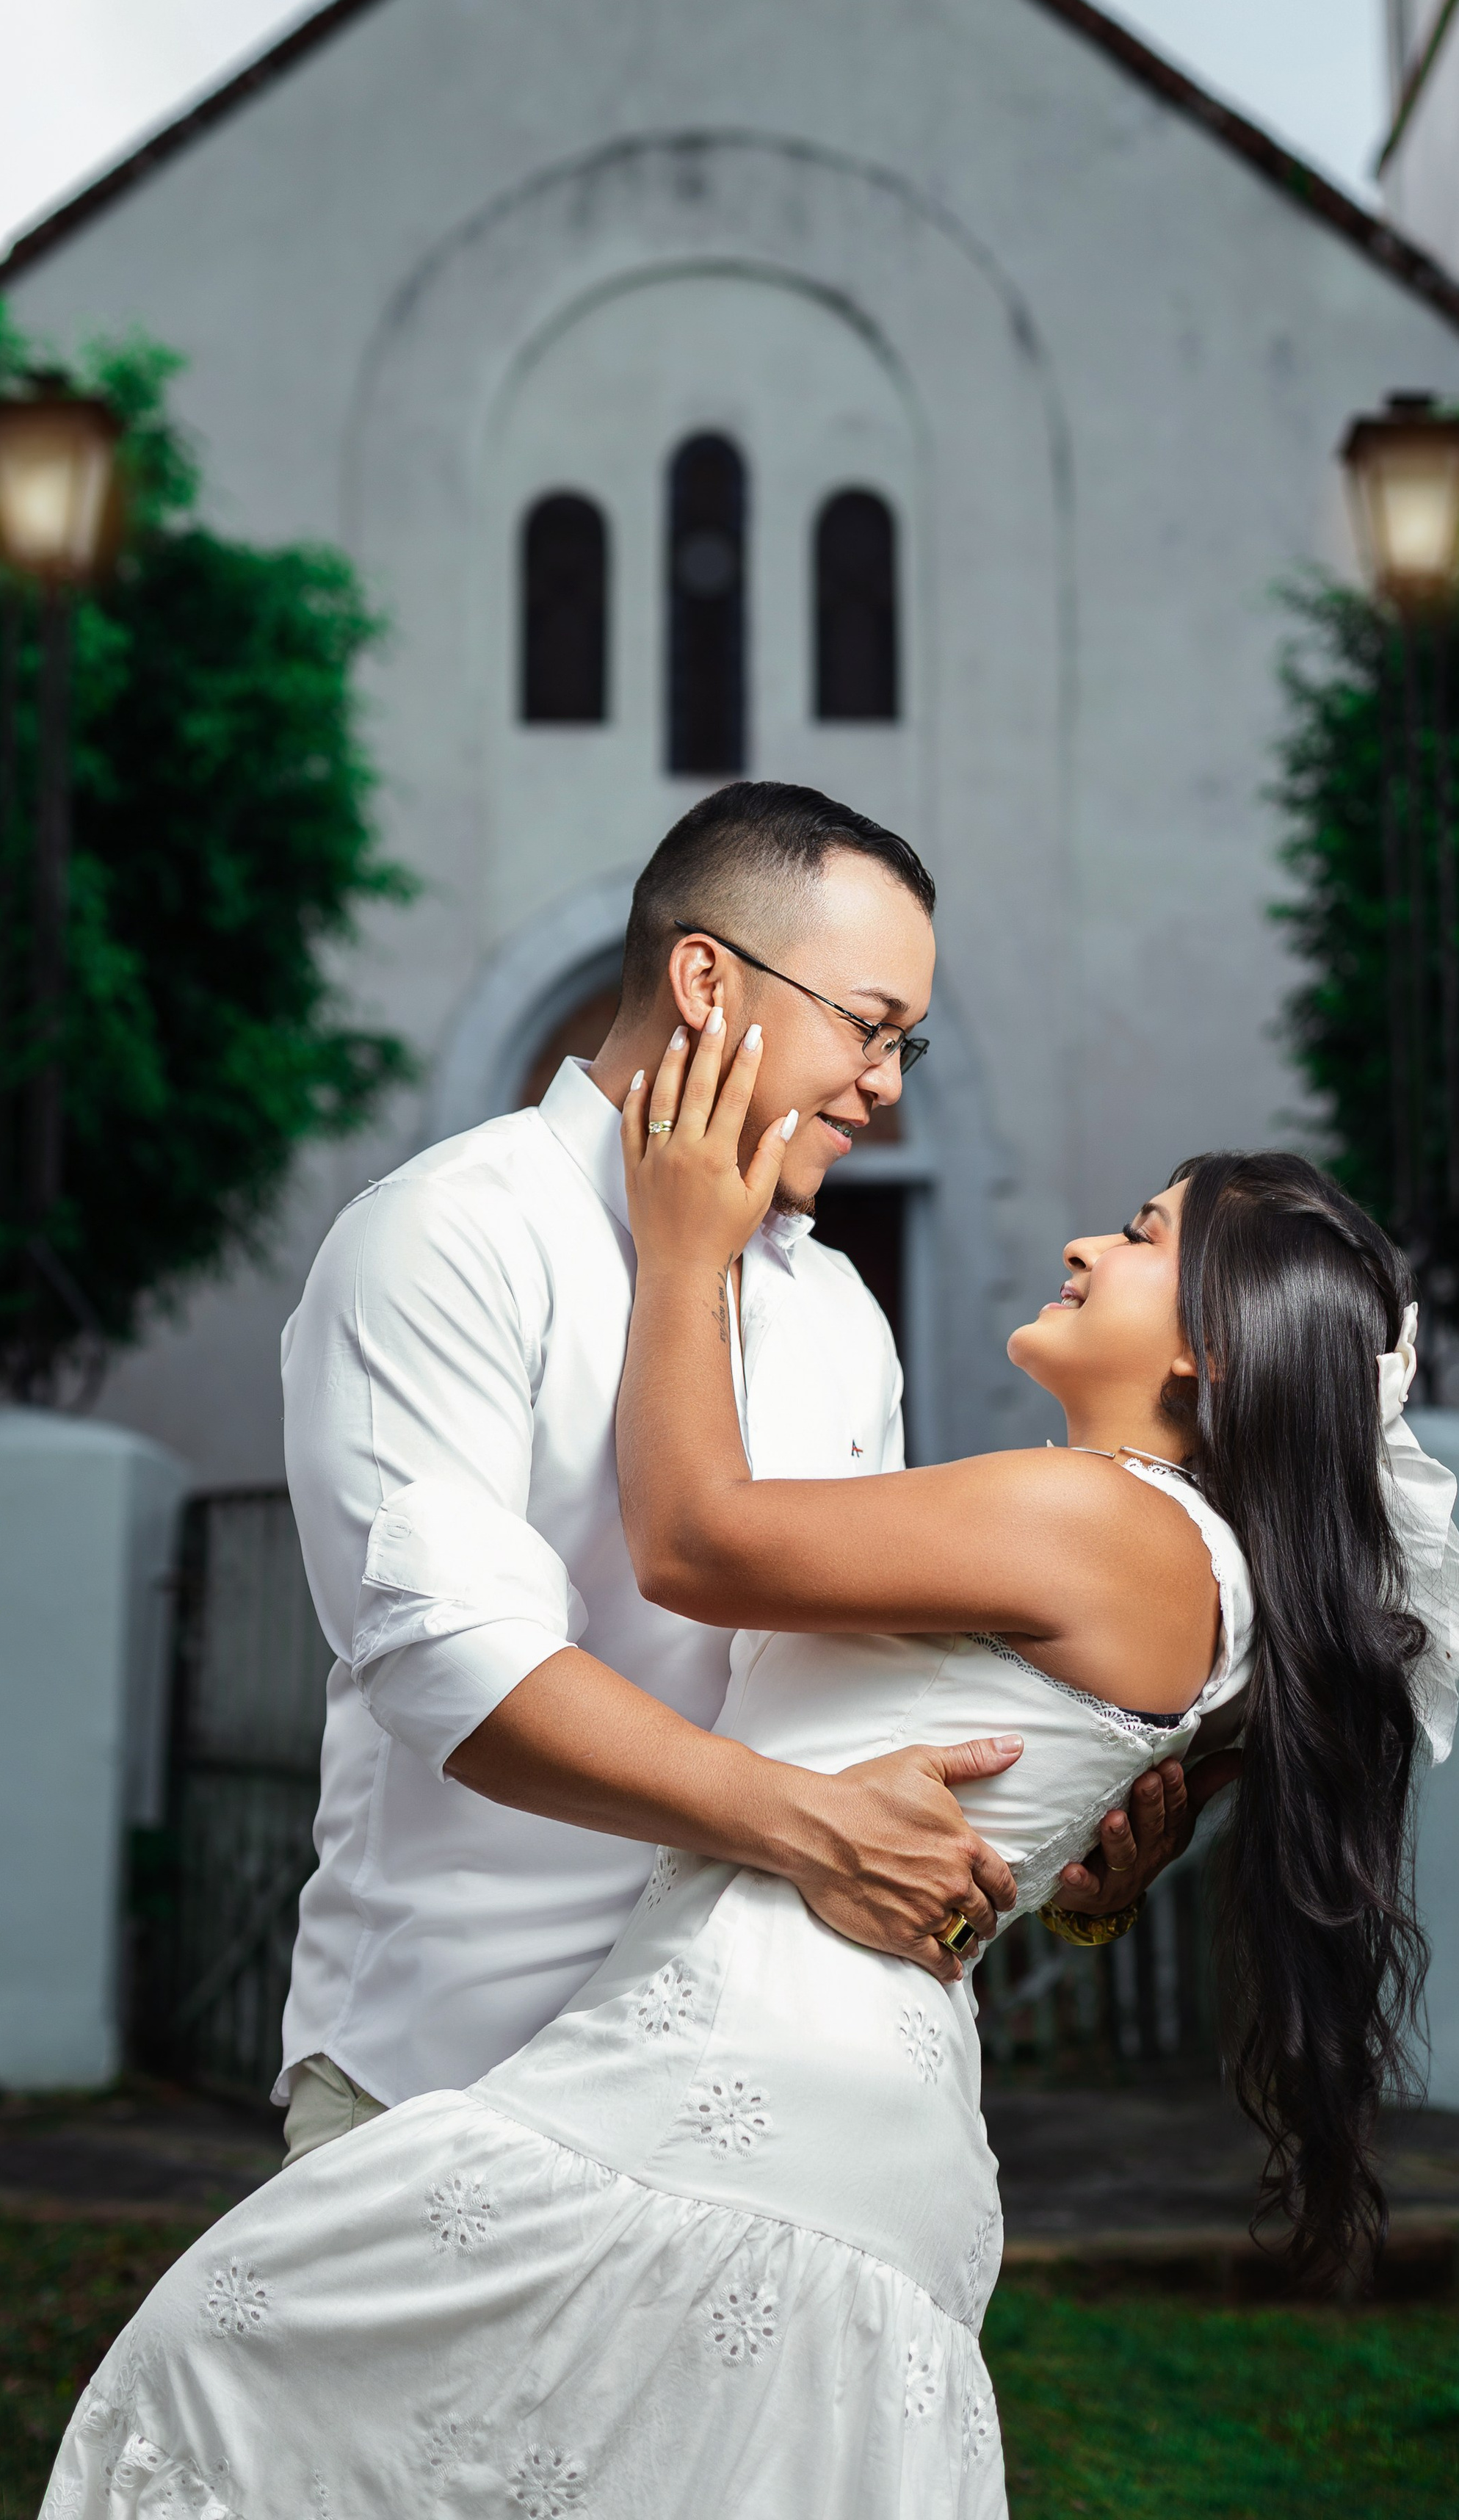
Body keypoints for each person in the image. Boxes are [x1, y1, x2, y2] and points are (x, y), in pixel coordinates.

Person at [37, 1020, 1459, 2520]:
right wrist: (1085, 1896)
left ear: (1211, 1343)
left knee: (229, 2382)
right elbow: (1041, 1815)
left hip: (746, 2093)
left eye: (1140, 1236)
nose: (1085, 1243)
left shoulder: (1092, 1518)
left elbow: (695, 1542)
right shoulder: (1195, 1567)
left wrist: (685, 1251)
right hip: (816, 2098)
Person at [274, 782, 1192, 2162]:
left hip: (757, 2102)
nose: (887, 1084)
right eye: (867, 1025)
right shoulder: (445, 1237)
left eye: (907, 1044)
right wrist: (810, 1827)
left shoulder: (840, 1313)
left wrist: (1062, 1862)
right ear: (706, 980)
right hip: (452, 2076)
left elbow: (863, 1703)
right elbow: (444, 1661)